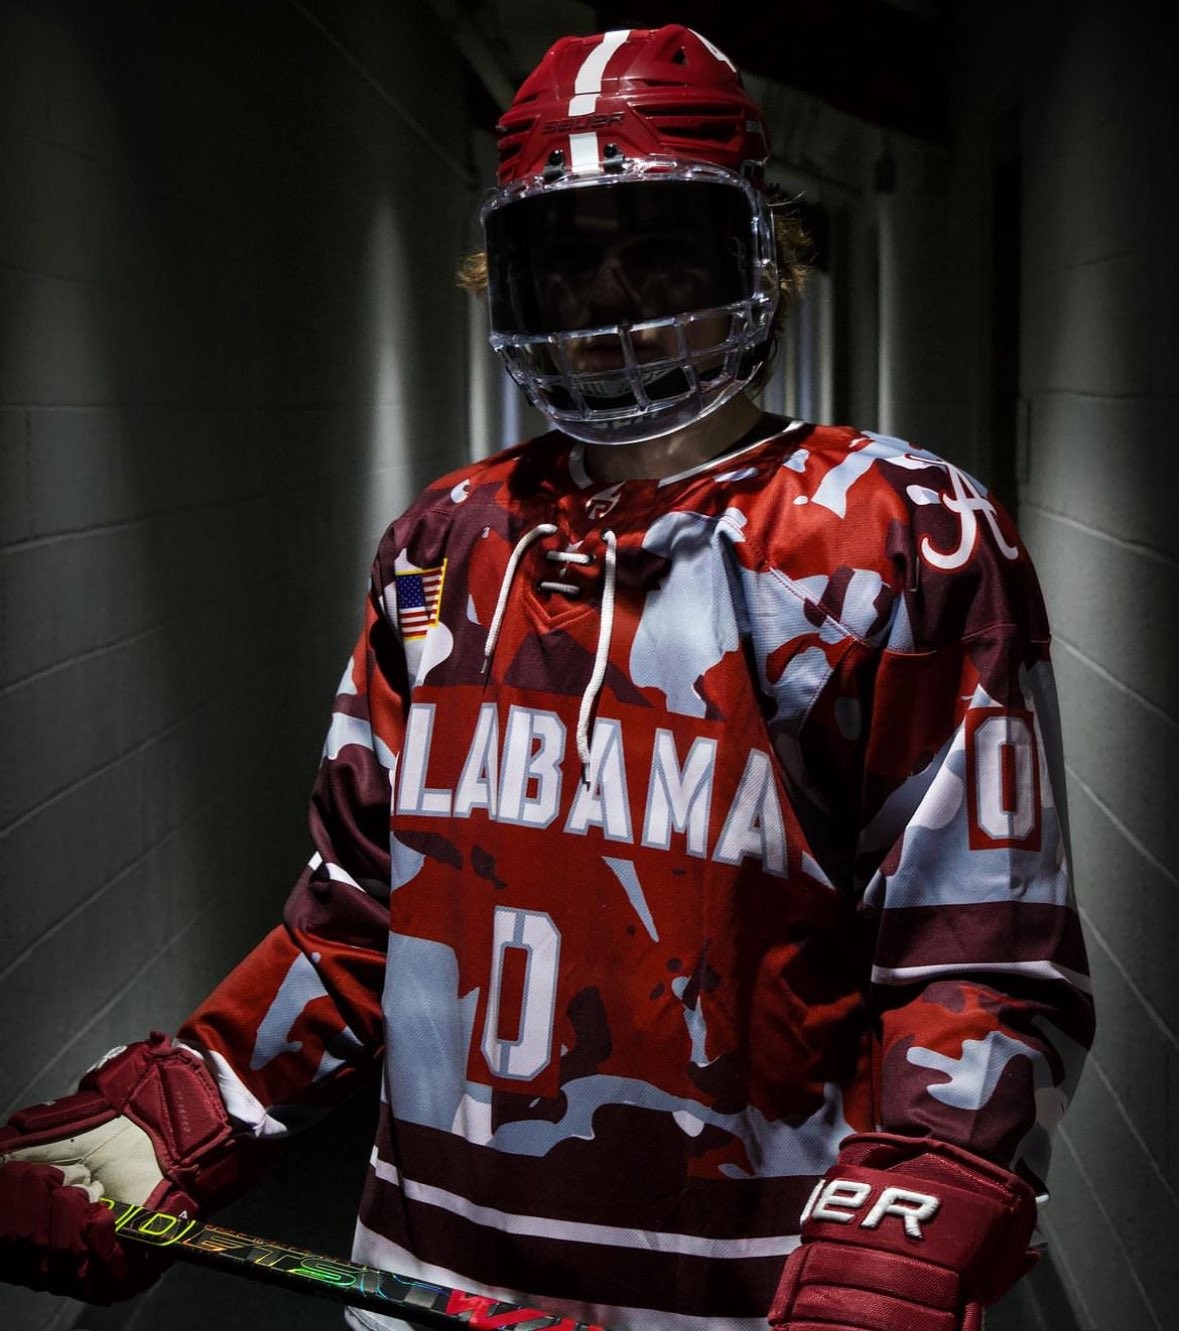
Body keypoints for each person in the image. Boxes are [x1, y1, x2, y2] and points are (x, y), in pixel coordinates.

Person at [0, 25, 1094, 1331]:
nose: (611, 296)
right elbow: (363, 914)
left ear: (759, 257)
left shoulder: (899, 535)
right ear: (506, 278)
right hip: (429, 1276)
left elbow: (981, 951)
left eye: (662, 244)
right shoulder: (442, 544)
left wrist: (925, 1197)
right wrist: (188, 1103)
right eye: (565, 255)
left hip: (748, 1293)